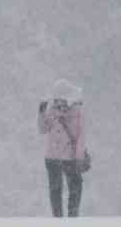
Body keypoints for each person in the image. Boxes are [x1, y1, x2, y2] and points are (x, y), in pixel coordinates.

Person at [38, 79, 85, 217]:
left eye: (61, 97)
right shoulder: (52, 111)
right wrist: (41, 112)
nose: (59, 101)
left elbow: (81, 136)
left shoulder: (77, 111)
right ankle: (58, 219)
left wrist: (79, 157)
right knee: (56, 190)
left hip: (69, 157)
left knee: (74, 188)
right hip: (53, 157)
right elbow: (42, 129)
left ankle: (71, 217)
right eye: (57, 98)